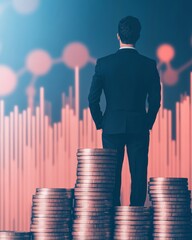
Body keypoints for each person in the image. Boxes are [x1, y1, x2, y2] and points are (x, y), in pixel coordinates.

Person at [88, 16, 161, 206]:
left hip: (111, 126)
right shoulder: (148, 65)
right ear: (138, 36)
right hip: (139, 126)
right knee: (138, 175)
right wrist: (147, 122)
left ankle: (113, 223)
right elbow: (155, 101)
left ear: (117, 36)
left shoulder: (104, 64)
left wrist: (101, 122)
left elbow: (92, 99)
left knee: (111, 177)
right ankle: (136, 223)